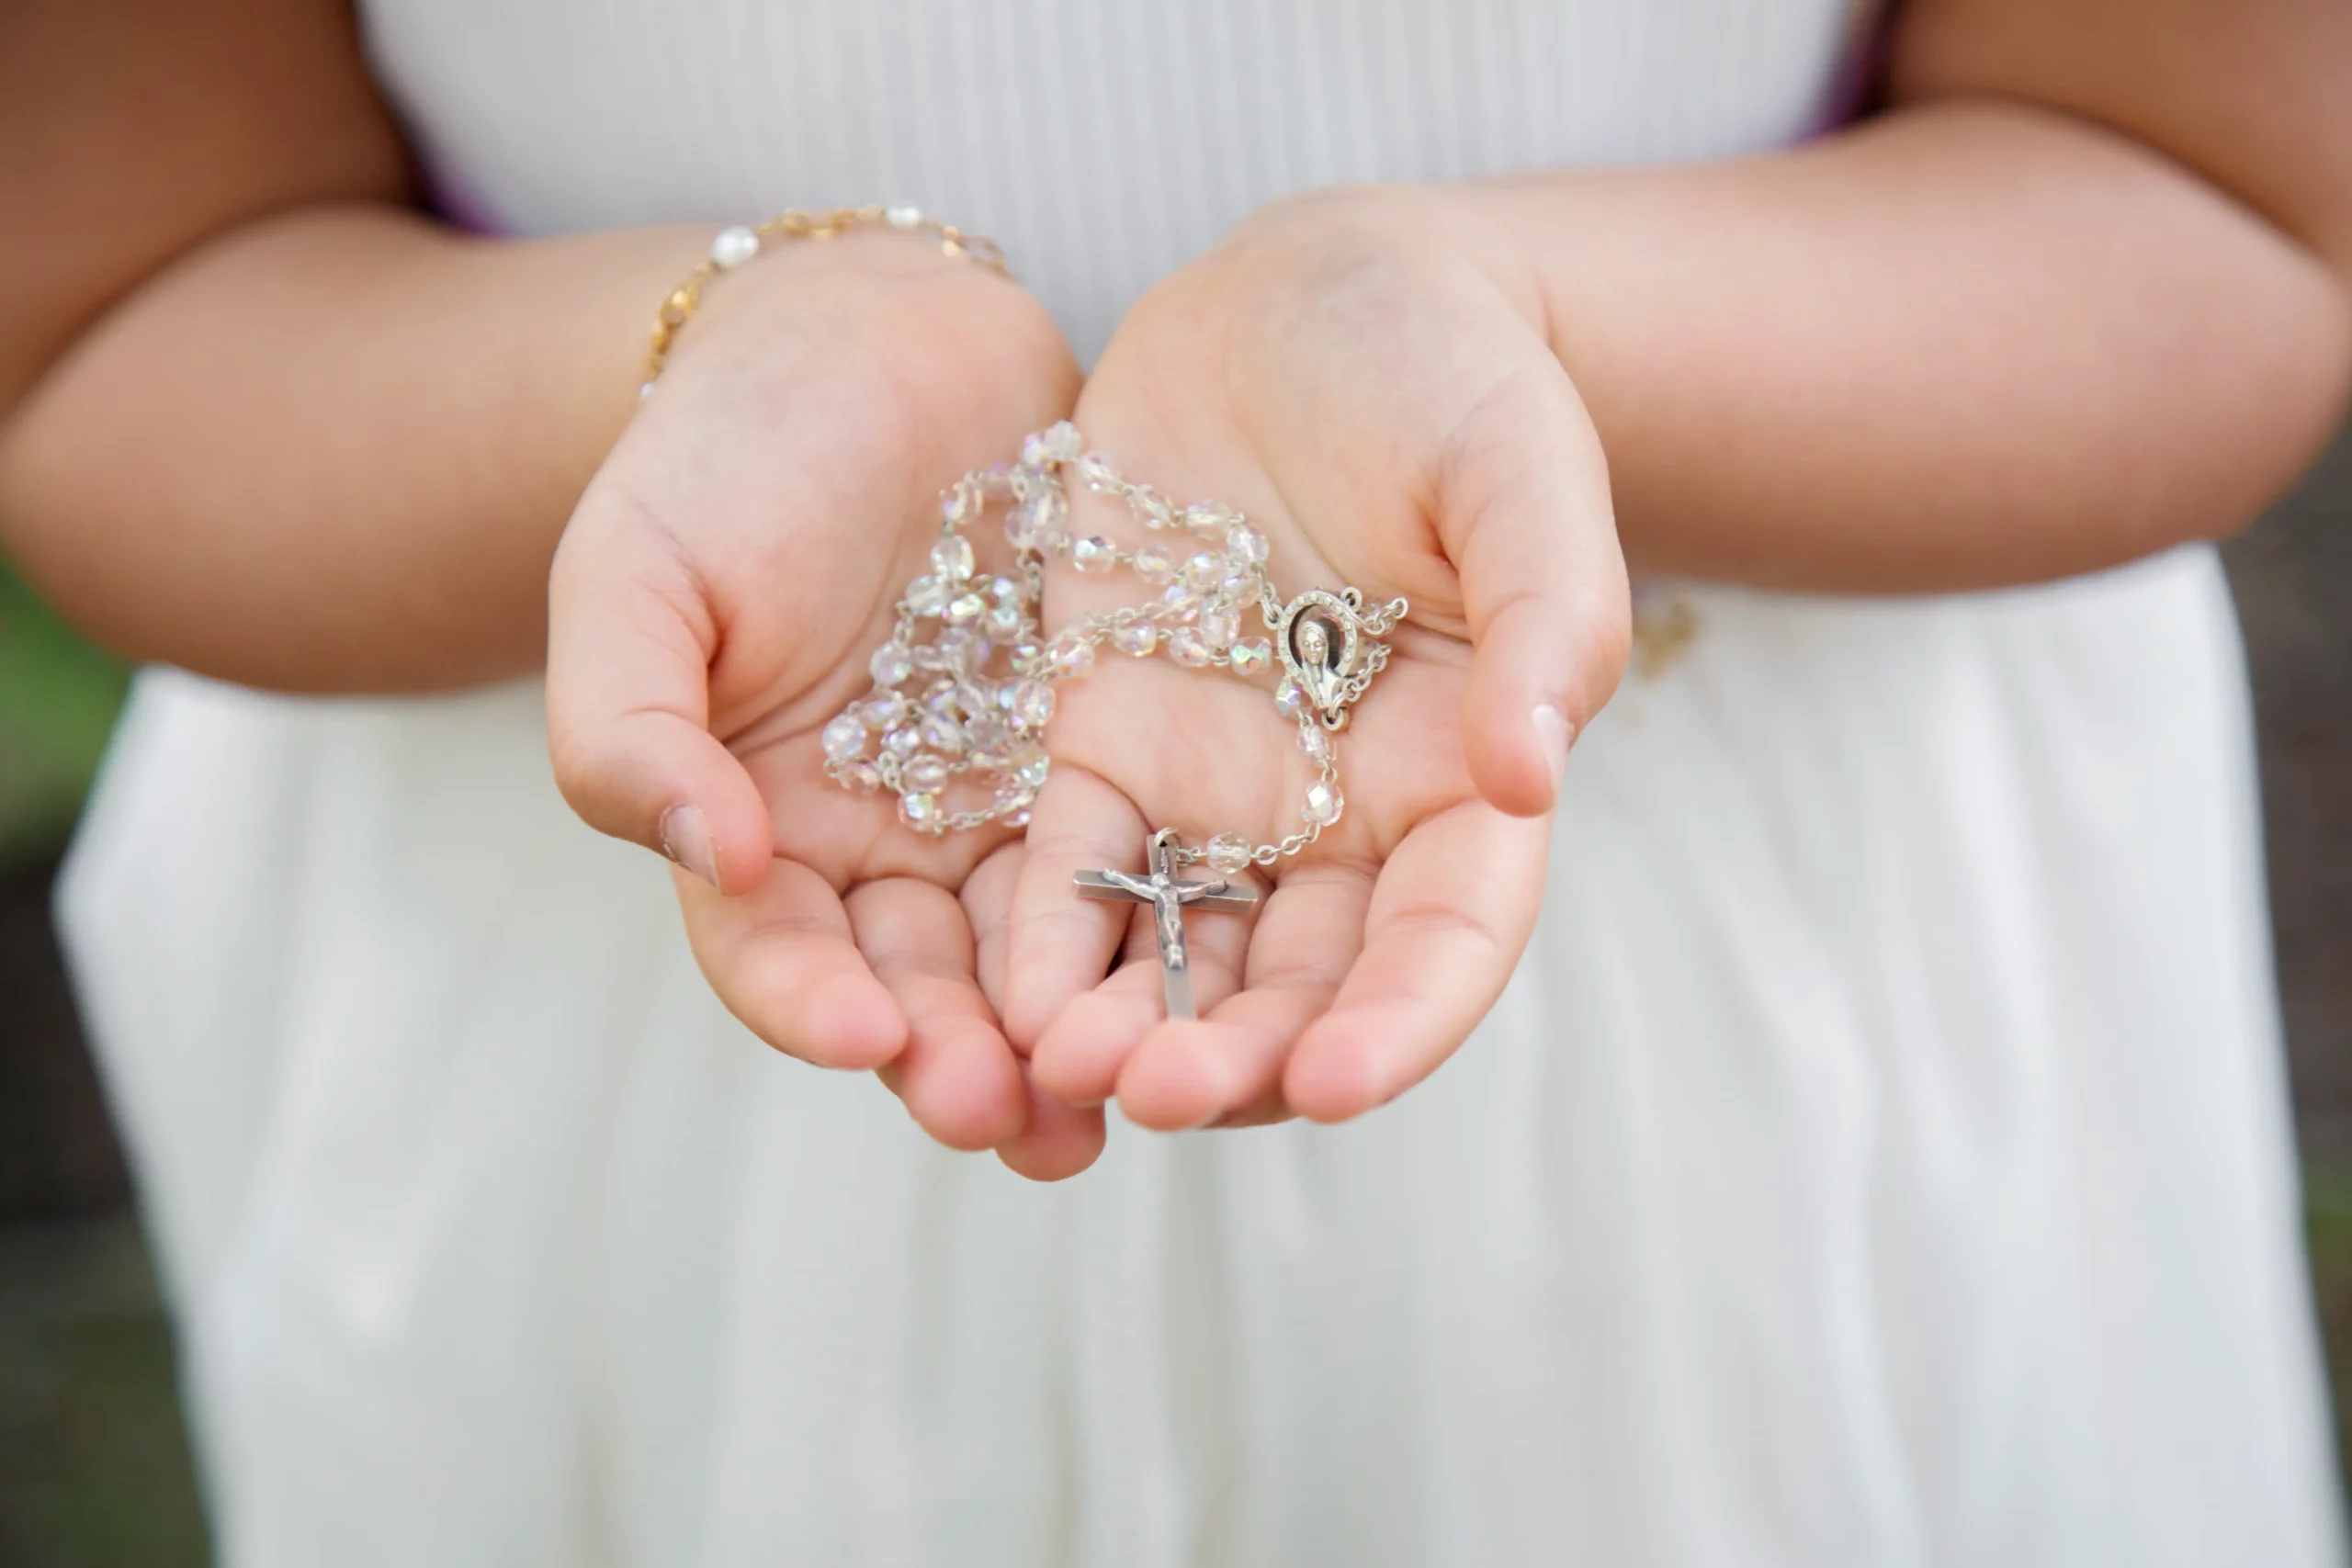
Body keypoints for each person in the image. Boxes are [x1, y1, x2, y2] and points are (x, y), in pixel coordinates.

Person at [3, 0, 2347, 1561]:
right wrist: (728, 351)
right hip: (671, 871)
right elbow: (115, 312)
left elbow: (2213, 199)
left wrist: (1508, 323)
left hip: (1749, 965)